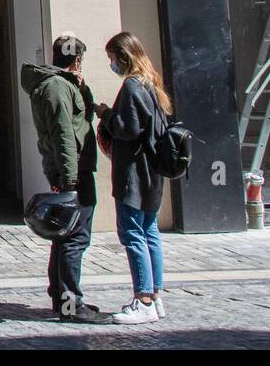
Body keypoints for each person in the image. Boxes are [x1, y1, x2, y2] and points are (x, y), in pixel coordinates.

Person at [21, 35, 105, 322]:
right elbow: (64, 135)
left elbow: (83, 117)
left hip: (70, 170)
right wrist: (69, 180)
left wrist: (83, 88)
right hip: (73, 172)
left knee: (64, 235)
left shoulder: (62, 85)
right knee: (75, 238)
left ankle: (60, 297)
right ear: (77, 59)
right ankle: (70, 303)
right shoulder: (56, 87)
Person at [94, 31, 170, 325]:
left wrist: (105, 114)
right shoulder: (152, 84)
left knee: (132, 233)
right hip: (152, 172)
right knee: (150, 232)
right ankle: (155, 295)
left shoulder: (131, 87)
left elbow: (127, 129)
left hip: (133, 173)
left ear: (123, 57)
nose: (111, 64)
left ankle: (143, 300)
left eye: (112, 58)